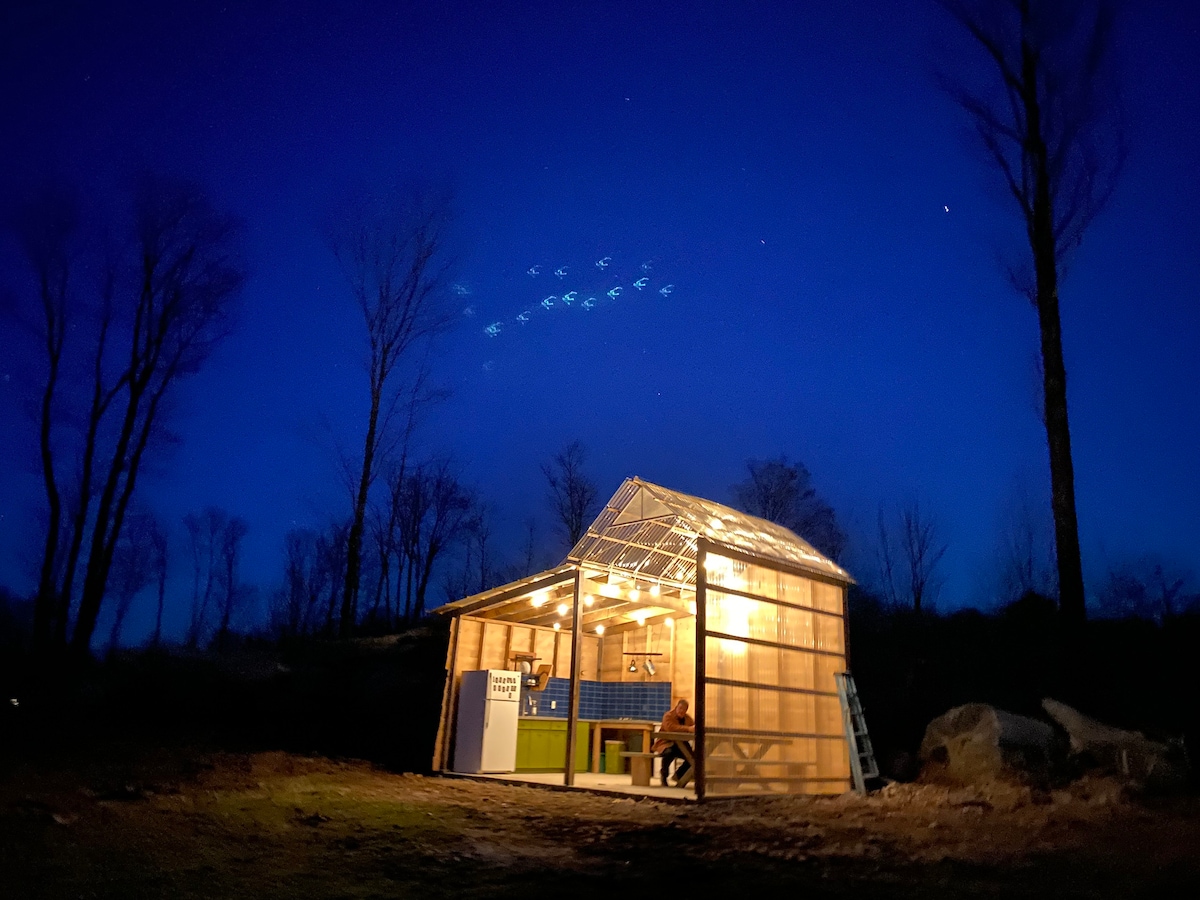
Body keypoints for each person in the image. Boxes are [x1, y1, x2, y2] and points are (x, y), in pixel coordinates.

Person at [652, 698, 695, 786]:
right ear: (676, 707)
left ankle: (678, 775)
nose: (682, 711)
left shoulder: (688, 719)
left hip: (681, 744)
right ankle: (664, 775)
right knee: (668, 753)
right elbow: (670, 728)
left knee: (692, 758)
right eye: (680, 708)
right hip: (666, 743)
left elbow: (693, 726)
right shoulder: (668, 716)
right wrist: (688, 729)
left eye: (684, 709)